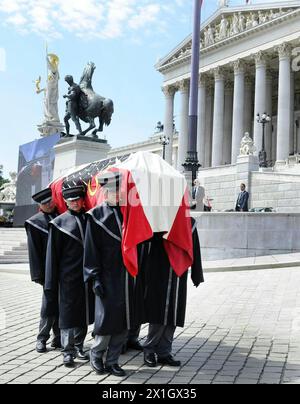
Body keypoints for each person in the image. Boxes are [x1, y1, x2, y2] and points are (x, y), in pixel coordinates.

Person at [84, 172, 145, 377]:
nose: (117, 194)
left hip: (128, 276)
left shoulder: (130, 213)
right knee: (106, 320)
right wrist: (94, 277)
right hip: (107, 276)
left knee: (124, 321)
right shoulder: (95, 216)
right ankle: (96, 353)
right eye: (112, 190)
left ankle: (113, 360)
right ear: (104, 191)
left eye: (120, 190)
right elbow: (91, 250)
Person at [143, 218, 204, 368]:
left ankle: (164, 352)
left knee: (173, 313)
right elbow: (146, 243)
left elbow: (194, 247)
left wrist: (196, 274)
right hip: (159, 272)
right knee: (158, 313)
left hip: (179, 275)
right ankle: (149, 349)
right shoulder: (158, 219)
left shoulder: (189, 222)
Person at [45, 185, 94, 367]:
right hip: (67, 278)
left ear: (82, 200)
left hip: (87, 276)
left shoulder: (90, 219)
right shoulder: (58, 224)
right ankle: (67, 351)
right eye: (71, 200)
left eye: (77, 199)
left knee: (84, 314)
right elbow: (52, 256)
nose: (75, 202)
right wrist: (51, 281)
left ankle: (80, 345)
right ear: (65, 201)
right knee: (67, 315)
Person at [25, 188, 60, 353]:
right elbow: (34, 252)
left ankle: (58, 338)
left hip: (65, 269)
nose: (50, 204)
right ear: (40, 205)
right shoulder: (35, 222)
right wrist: (39, 276)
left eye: (51, 201)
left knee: (63, 304)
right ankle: (42, 338)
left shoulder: (61, 216)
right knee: (48, 306)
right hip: (47, 272)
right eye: (46, 203)